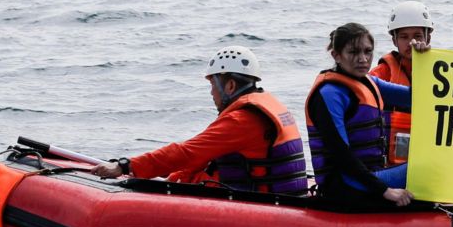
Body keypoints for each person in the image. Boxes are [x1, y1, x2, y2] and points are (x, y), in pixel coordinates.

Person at [91, 46, 309, 196]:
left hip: (259, 204)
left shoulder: (240, 120)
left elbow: (186, 152)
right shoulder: (268, 106)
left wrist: (125, 166)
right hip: (280, 195)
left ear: (230, 86)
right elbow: (203, 157)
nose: (212, 93)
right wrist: (176, 177)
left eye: (213, 85)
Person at [306, 22, 415, 207]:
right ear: (336, 55)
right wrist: (384, 191)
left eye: (368, 51)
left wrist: (421, 58)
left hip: (369, 175)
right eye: (354, 52)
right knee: (426, 171)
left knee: (431, 163)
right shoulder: (329, 94)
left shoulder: (370, 83)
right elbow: (341, 155)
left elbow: (413, 98)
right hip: (345, 183)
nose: (363, 59)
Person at [370, 0, 433, 166]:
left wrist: (424, 61)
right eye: (404, 37)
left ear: (428, 37)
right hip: (391, 162)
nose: (411, 42)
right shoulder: (381, 73)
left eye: (417, 36)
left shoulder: (441, 72)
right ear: (394, 40)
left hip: (428, 157)